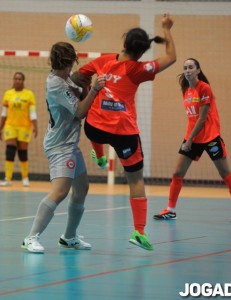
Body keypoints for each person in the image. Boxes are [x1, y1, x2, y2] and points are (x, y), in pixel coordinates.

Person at [71, 13, 176, 251]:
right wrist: (166, 28)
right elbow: (171, 57)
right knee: (135, 180)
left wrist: (89, 86)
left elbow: (78, 76)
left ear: (124, 43)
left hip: (95, 127)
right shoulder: (139, 69)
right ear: (141, 53)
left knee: (92, 129)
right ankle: (139, 231)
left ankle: (98, 154)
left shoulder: (103, 60)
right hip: (124, 133)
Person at [21, 42, 105, 253]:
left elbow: (80, 95)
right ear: (69, 61)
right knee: (60, 192)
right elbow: (79, 112)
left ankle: (69, 237)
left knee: (82, 188)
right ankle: (30, 237)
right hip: (60, 146)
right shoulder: (56, 85)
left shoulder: (65, 77)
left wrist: (86, 86)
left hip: (69, 143)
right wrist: (94, 89)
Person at [153, 58, 231, 223]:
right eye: (185, 68)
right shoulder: (186, 90)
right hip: (192, 137)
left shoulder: (204, 88)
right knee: (177, 173)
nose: (187, 70)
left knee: (224, 173)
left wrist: (189, 140)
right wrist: (190, 138)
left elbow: (202, 118)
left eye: (191, 67)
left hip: (210, 137)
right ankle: (171, 210)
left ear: (198, 70)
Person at [0, 72, 38, 187]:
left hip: (25, 127)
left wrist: (35, 126)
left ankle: (25, 178)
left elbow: (32, 113)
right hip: (10, 126)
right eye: (16, 78)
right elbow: (4, 113)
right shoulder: (8, 94)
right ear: (13, 80)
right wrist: (0, 127)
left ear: (23, 80)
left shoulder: (29, 94)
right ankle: (8, 178)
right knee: (10, 150)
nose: (17, 81)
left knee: (22, 152)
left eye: (20, 79)